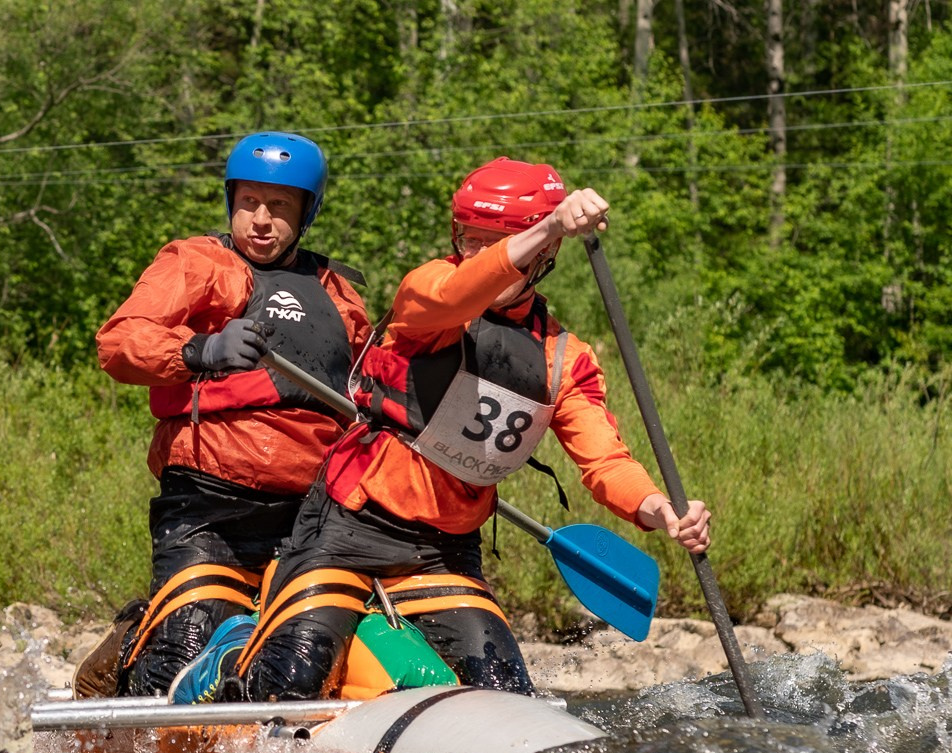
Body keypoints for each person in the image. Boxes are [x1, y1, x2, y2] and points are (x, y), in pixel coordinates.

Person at [233, 158, 711, 701]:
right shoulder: (430, 293)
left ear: (547, 256)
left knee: (505, 691)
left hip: (445, 552)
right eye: (470, 239)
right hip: (346, 527)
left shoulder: (563, 361)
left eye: (498, 242)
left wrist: (661, 511)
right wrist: (550, 224)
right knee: (292, 678)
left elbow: (605, 463)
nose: (478, 255)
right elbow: (460, 293)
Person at [87, 132, 371, 698]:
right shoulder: (198, 263)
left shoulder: (339, 293)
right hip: (208, 506)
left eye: (279, 207)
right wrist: (199, 350)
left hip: (309, 515)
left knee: (304, 666)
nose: (261, 221)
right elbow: (118, 343)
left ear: (307, 212)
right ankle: (130, 649)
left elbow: (368, 386)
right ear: (231, 203)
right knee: (181, 652)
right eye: (248, 204)